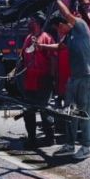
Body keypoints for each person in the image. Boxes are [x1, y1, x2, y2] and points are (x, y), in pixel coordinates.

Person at [39, 0, 90, 160]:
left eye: (59, 27)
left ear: (66, 23)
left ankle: (86, 147)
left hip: (87, 77)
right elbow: (59, 47)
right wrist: (42, 47)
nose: (58, 31)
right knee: (70, 111)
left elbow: (66, 13)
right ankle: (70, 144)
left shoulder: (80, 26)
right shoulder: (69, 37)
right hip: (75, 78)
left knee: (84, 113)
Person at [20, 13, 55, 148]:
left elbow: (52, 59)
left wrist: (51, 78)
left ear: (38, 23)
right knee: (28, 111)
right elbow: (23, 56)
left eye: (32, 20)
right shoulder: (28, 38)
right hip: (30, 80)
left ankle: (50, 138)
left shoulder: (46, 38)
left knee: (44, 109)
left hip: (43, 79)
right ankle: (32, 139)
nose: (29, 22)